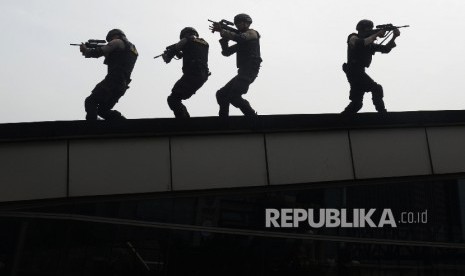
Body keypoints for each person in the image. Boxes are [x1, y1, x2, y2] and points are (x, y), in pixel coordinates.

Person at [341, 19, 400, 114]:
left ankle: (341, 119)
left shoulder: (369, 44)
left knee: (357, 103)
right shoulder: (353, 37)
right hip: (354, 71)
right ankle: (382, 113)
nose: (369, 32)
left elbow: (385, 49)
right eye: (367, 30)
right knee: (376, 89)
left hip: (358, 72)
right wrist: (376, 35)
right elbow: (359, 43)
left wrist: (394, 36)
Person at [79, 29, 138, 120]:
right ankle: (124, 124)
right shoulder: (132, 49)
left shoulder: (117, 42)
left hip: (112, 81)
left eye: (111, 39)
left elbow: (99, 52)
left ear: (117, 36)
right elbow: (115, 56)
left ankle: (91, 128)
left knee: (90, 101)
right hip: (122, 85)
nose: (110, 41)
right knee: (103, 110)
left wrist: (86, 50)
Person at [210, 13, 262, 117]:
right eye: (236, 23)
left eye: (240, 23)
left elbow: (240, 38)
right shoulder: (242, 41)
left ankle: (252, 117)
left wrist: (223, 31)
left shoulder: (252, 33)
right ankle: (223, 121)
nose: (238, 25)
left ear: (247, 23)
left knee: (234, 96)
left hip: (249, 69)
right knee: (221, 94)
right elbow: (226, 52)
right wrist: (224, 40)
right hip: (243, 71)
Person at [162, 27, 210, 118]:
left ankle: (184, 123)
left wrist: (166, 54)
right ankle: (186, 120)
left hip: (192, 74)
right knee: (177, 98)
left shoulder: (186, 40)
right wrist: (177, 51)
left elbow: (167, 59)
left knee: (173, 99)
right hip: (202, 76)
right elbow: (189, 53)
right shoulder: (204, 43)